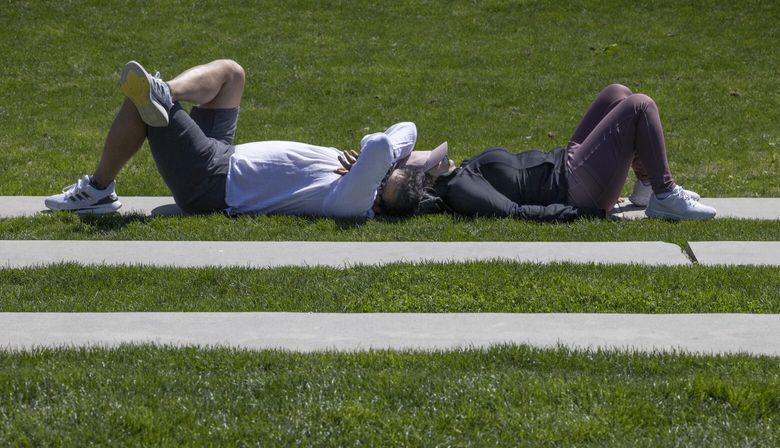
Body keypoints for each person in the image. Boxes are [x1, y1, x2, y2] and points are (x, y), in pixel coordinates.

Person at [44, 60, 448, 218]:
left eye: (384, 182)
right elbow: (406, 128)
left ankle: (98, 189)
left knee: (141, 107)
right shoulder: (361, 179)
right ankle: (166, 89)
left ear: (377, 198)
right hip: (224, 154)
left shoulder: (352, 202)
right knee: (231, 75)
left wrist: (372, 159)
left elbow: (382, 144)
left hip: (212, 182)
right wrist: (373, 163)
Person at [385, 84, 717, 221]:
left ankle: (645, 189)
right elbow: (515, 211)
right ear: (429, 177)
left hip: (564, 161)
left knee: (617, 93)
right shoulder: (460, 189)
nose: (442, 157)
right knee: (639, 107)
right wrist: (583, 213)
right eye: (434, 161)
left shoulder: (460, 173)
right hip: (573, 187)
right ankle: (664, 194)